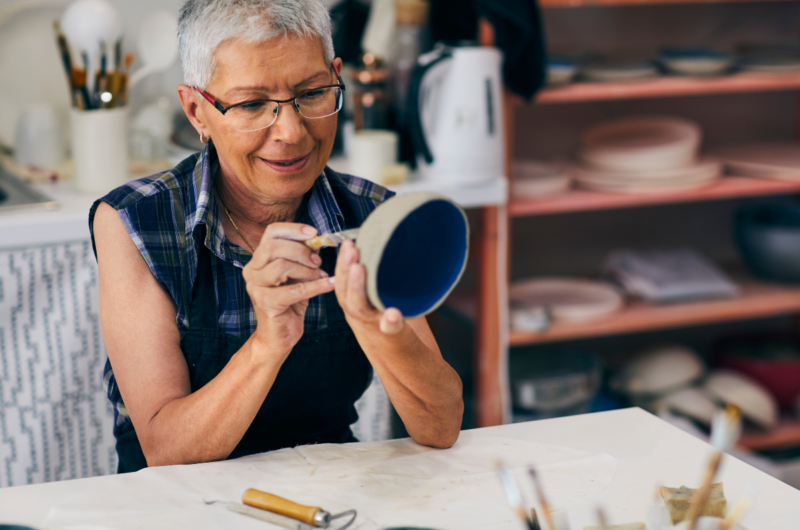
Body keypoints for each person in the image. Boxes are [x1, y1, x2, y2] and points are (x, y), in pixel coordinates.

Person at [91, 0, 464, 473]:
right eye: (251, 104)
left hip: (332, 490)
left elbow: (441, 426)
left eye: (312, 94)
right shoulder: (137, 222)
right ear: (196, 110)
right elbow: (165, 450)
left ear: (336, 76)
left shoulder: (370, 215)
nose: (290, 132)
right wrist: (269, 343)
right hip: (176, 508)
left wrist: (375, 327)